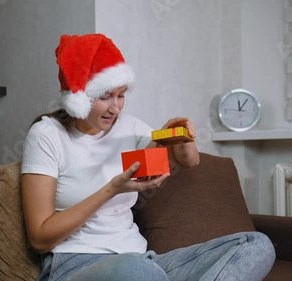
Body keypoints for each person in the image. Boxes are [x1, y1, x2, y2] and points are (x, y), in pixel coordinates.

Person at [21, 33, 275, 281]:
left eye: (121, 95)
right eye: (105, 96)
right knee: (138, 270)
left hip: (143, 260)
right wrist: (111, 189)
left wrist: (182, 139)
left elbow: (188, 161)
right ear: (79, 97)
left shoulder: (129, 127)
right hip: (75, 266)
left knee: (256, 245)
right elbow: (40, 238)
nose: (115, 107)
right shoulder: (47, 134)